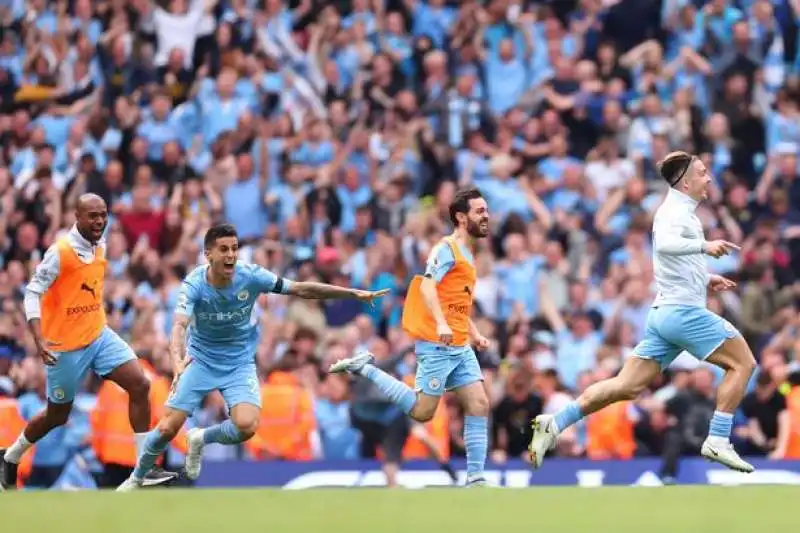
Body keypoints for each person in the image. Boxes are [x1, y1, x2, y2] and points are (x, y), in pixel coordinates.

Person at [528, 151, 757, 474]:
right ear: (685, 180)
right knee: (743, 363)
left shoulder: (683, 212)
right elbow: (664, 245)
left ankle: (555, 422)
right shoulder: (673, 211)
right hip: (682, 314)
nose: (709, 178)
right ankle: (718, 439)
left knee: (626, 386)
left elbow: (669, 262)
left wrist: (705, 278)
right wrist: (705, 246)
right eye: (703, 173)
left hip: (664, 314)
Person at [116, 223, 388, 491]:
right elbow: (178, 326)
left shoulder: (252, 275)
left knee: (246, 426)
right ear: (208, 254)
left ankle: (200, 438)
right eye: (224, 249)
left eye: (234, 248)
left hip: (238, 363)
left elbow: (301, 288)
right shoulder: (194, 284)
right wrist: (177, 361)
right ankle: (136, 478)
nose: (231, 255)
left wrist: (351, 293)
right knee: (167, 428)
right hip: (201, 361)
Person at [0, 194, 176, 490]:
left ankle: (144, 467)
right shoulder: (60, 253)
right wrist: (38, 337)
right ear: (77, 216)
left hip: (98, 335)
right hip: (64, 346)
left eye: (103, 215)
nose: (99, 221)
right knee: (58, 415)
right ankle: (11, 455)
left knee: (141, 384)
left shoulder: (101, 246)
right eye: (92, 215)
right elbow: (32, 293)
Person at [329, 187, 492, 487]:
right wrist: (442, 325)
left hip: (459, 343)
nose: (486, 216)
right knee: (421, 412)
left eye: (486, 210)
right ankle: (365, 369)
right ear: (460, 216)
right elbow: (428, 287)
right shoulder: (445, 249)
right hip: (437, 343)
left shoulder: (468, 253)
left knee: (479, 403)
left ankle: (476, 478)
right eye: (480, 211)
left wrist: (476, 333)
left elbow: (456, 302)